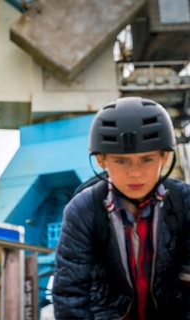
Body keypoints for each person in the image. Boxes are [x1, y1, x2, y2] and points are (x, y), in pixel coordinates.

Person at [52, 96, 190, 319]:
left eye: (146, 159)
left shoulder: (185, 202)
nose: (135, 173)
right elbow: (70, 294)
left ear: (164, 157)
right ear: (101, 160)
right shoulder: (83, 210)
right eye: (121, 161)